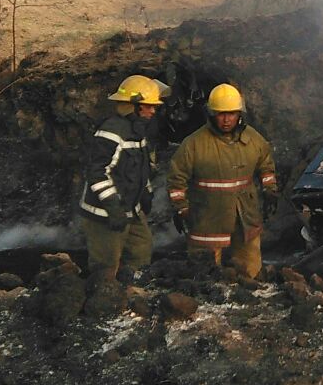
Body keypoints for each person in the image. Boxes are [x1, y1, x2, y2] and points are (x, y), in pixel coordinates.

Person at [166, 83, 278, 279]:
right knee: (204, 274)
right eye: (221, 114)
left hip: (244, 214)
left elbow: (266, 167)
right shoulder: (194, 144)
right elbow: (177, 179)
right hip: (207, 216)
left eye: (231, 114)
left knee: (250, 268)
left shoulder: (253, 139)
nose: (226, 120)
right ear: (211, 114)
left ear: (239, 114)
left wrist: (270, 190)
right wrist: (181, 208)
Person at [78, 74, 163, 287]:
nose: (153, 111)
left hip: (130, 210)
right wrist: (112, 206)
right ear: (131, 106)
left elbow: (141, 169)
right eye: (148, 106)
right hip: (104, 214)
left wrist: (146, 192)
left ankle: (131, 294)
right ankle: (103, 303)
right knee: (106, 265)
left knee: (141, 251)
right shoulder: (112, 131)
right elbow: (97, 173)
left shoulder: (137, 132)